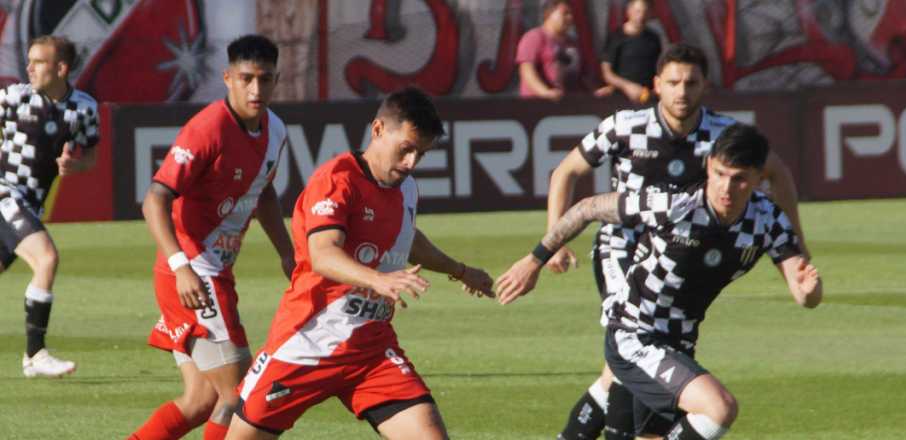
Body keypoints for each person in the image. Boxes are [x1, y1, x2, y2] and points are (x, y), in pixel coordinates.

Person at [542, 43, 811, 440]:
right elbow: (565, 172)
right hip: (622, 249)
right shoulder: (625, 125)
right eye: (673, 82)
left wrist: (796, 248)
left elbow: (778, 173)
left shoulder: (724, 138)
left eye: (691, 82)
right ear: (657, 85)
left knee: (627, 368)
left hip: (677, 257)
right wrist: (554, 240)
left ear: (705, 86)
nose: (682, 91)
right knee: (630, 345)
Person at [496, 123, 823, 440]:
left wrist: (809, 292)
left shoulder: (767, 220)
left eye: (739, 179)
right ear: (709, 165)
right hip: (635, 336)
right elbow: (587, 208)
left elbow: (802, 290)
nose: (726, 188)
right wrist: (534, 261)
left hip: (679, 342)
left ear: (757, 177)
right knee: (719, 409)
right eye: (720, 174)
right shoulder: (674, 205)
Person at [226, 87, 494, 440]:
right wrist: (378, 281)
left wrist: (460, 270)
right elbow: (323, 253)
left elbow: (408, 239)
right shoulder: (336, 180)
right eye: (407, 149)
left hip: (371, 351)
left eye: (421, 154)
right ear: (378, 130)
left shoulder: (406, 188)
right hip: (306, 343)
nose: (412, 162)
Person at [129, 35, 294, 440]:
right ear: (227, 78)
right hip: (192, 275)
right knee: (242, 395)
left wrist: (288, 255)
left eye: (265, 79)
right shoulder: (207, 129)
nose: (256, 89)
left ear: (277, 80)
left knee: (203, 401)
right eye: (246, 78)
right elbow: (154, 200)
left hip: (216, 273)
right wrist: (180, 266)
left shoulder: (276, 131)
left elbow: (265, 191)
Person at [0, 35, 99, 378]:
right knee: (47, 258)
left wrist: (75, 166)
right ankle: (35, 353)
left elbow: (91, 156)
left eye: (38, 61)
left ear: (61, 68)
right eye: (29, 60)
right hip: (5, 193)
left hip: (31, 202)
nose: (29, 67)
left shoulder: (84, 108)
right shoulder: (15, 97)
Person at [517, 0, 610, 100]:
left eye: (570, 14)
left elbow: (583, 75)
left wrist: (595, 92)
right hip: (538, 104)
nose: (570, 17)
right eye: (565, 13)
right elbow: (527, 71)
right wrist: (545, 93)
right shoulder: (534, 37)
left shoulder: (573, 43)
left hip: (568, 104)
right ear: (549, 13)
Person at [601, 0, 662, 105]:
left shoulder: (654, 38)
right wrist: (627, 86)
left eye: (645, 12)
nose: (641, 16)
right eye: (638, 11)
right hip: (620, 98)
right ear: (629, 11)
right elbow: (607, 73)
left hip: (649, 98)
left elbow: (660, 68)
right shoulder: (616, 37)